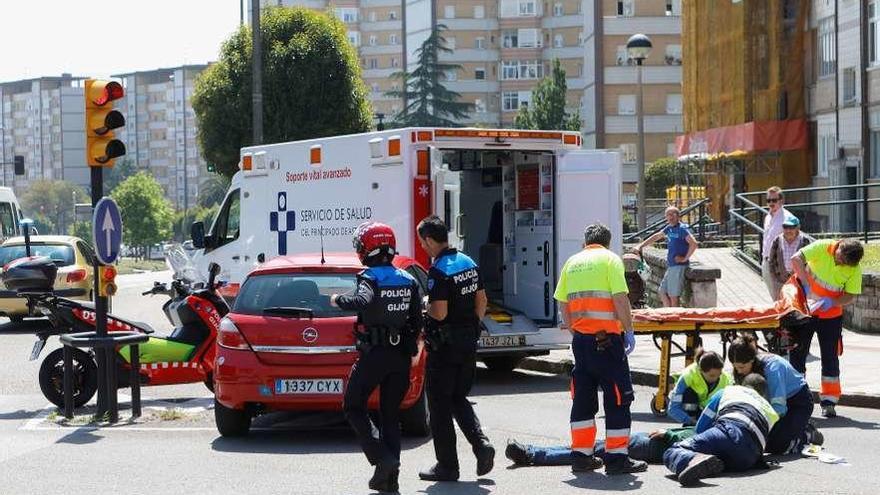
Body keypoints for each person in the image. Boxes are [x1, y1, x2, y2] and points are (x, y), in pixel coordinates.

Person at [330, 222, 423, 493]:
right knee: (390, 414)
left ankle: (382, 459)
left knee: (353, 405)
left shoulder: (370, 277)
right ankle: (389, 479)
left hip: (375, 355)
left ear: (366, 249)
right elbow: (417, 321)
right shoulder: (408, 279)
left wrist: (337, 299)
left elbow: (362, 301)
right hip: (400, 357)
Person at [555, 223, 647, 475]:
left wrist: (574, 329)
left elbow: (562, 301)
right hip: (607, 341)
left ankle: (581, 456)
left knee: (583, 399)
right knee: (617, 397)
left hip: (582, 342)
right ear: (608, 242)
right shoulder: (610, 260)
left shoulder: (572, 262)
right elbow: (620, 298)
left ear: (586, 241)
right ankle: (617, 459)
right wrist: (628, 330)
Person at [416, 215, 495, 482]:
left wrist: (425, 303)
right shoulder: (468, 262)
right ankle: (482, 445)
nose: (423, 248)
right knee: (458, 398)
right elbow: (482, 299)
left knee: (439, 405)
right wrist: (471, 325)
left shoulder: (439, 270)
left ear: (429, 240)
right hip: (467, 343)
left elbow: (439, 312)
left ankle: (447, 466)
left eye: (423, 243)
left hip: (445, 348)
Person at [790, 238, 864, 418]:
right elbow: (796, 259)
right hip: (805, 309)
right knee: (798, 355)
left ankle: (829, 402)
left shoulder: (854, 268)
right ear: (839, 249)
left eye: (845, 264)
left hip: (830, 315)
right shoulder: (823, 247)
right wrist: (806, 286)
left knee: (830, 357)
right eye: (840, 259)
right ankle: (796, 398)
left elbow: (851, 295)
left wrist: (833, 302)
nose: (841, 263)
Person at [663, 374, 779, 486]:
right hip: (749, 458)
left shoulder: (729, 391)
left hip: (728, 431)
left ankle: (692, 458)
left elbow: (701, 427)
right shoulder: (770, 409)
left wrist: (688, 439)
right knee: (720, 458)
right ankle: (708, 463)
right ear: (762, 394)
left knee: (673, 451)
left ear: (742, 384)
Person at [727, 335, 822, 455]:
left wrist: (760, 426)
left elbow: (779, 408)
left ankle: (807, 434)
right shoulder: (741, 369)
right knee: (758, 441)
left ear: (751, 360)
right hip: (771, 406)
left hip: (797, 403)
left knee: (777, 445)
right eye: (735, 367)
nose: (739, 371)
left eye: (741, 367)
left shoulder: (773, 368)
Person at [505, 427, 696, 467]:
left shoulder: (710, 433)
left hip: (644, 446)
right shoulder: (712, 427)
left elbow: (685, 442)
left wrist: (668, 434)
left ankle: (530, 454)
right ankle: (530, 450)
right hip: (644, 441)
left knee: (584, 451)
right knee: (582, 447)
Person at [635, 206, 698, 307]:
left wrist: (685, 258)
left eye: (673, 214)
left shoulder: (682, 229)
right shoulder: (669, 228)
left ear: (678, 216)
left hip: (678, 267)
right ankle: (668, 314)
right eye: (668, 215)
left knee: (674, 296)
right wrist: (641, 245)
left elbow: (694, 244)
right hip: (671, 266)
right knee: (662, 291)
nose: (670, 217)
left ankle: (674, 318)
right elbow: (657, 236)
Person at [667, 350, 732, 426]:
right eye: (712, 375)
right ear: (701, 370)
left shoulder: (727, 380)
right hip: (691, 411)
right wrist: (691, 421)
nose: (716, 378)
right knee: (689, 394)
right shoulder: (688, 376)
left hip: (711, 411)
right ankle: (689, 426)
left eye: (719, 374)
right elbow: (673, 408)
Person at [761, 186, 793, 301]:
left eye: (774, 200)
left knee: (781, 296)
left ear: (781, 200)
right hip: (766, 260)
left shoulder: (787, 218)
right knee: (774, 295)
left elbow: (793, 240)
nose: (771, 203)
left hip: (779, 263)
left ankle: (784, 318)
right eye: (768, 200)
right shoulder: (768, 217)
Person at [767, 215, 811, 297]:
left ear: (798, 228)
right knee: (782, 307)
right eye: (785, 227)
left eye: (791, 227)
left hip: (799, 283)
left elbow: (810, 263)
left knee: (797, 307)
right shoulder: (777, 240)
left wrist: (805, 281)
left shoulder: (805, 241)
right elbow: (771, 261)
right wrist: (774, 279)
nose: (788, 230)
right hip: (780, 283)